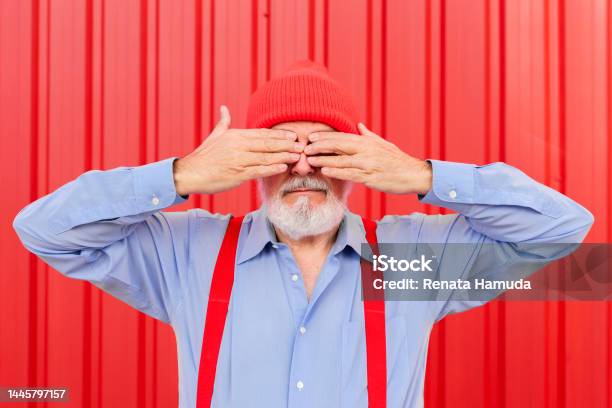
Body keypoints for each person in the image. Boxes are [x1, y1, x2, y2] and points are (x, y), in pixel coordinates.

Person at [13, 61, 593, 408]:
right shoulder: (187, 255)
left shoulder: (404, 261)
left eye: (325, 148)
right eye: (277, 148)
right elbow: (42, 230)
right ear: (247, 162)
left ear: (358, 161)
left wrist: (423, 175)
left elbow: (566, 230)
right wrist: (181, 174)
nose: (302, 168)